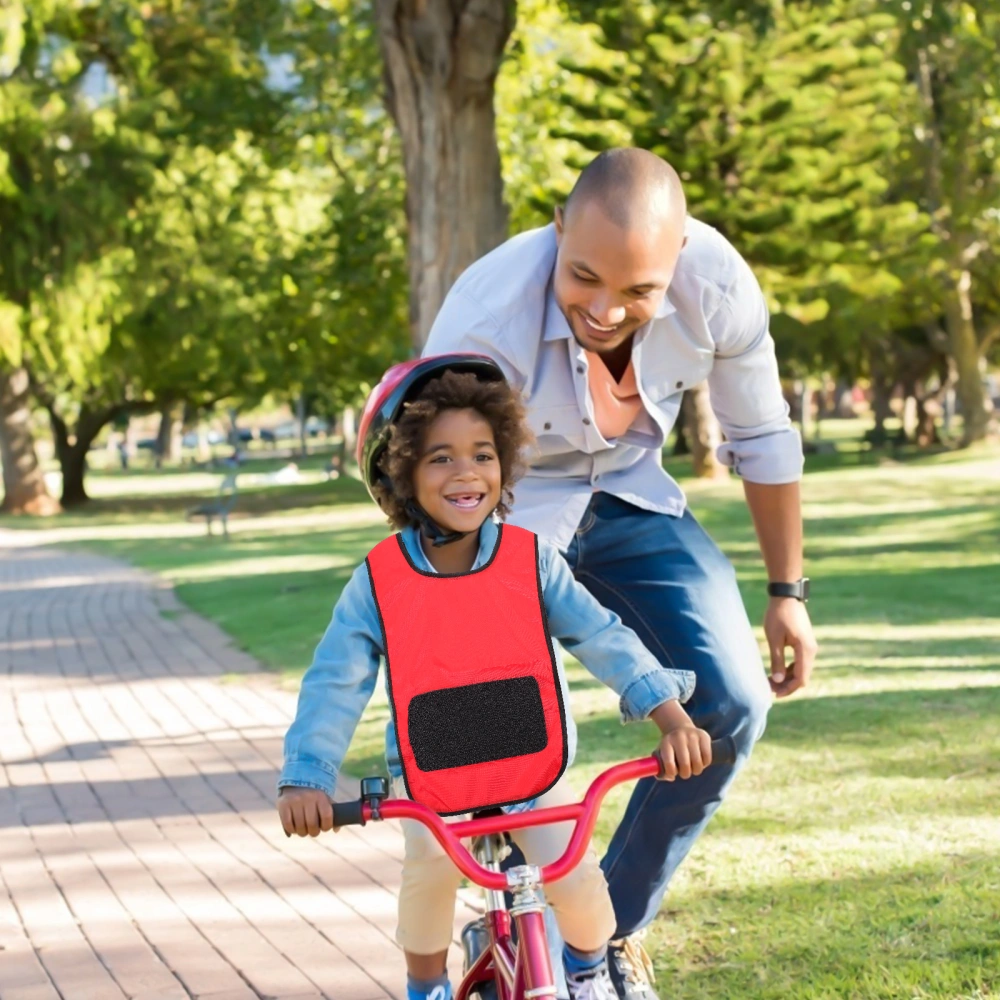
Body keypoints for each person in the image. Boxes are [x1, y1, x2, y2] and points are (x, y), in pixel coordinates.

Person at [423, 148, 819, 1000]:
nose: (605, 310)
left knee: (733, 702)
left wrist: (787, 594)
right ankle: (511, 914)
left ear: (678, 260)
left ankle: (606, 935)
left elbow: (764, 437)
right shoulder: (485, 317)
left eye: (637, 291)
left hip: (636, 497)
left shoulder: (718, 286)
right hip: (507, 510)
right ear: (558, 230)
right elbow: (436, 481)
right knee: (495, 722)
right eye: (583, 278)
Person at [276, 355, 713, 1000]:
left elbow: (598, 633)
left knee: (577, 879)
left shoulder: (528, 558)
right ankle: (424, 987)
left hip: (529, 763)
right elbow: (334, 682)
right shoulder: (379, 581)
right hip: (431, 778)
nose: (467, 474)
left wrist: (668, 713)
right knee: (426, 873)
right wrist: (306, 779)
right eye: (440, 458)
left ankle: (589, 970)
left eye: (483, 454)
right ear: (399, 476)